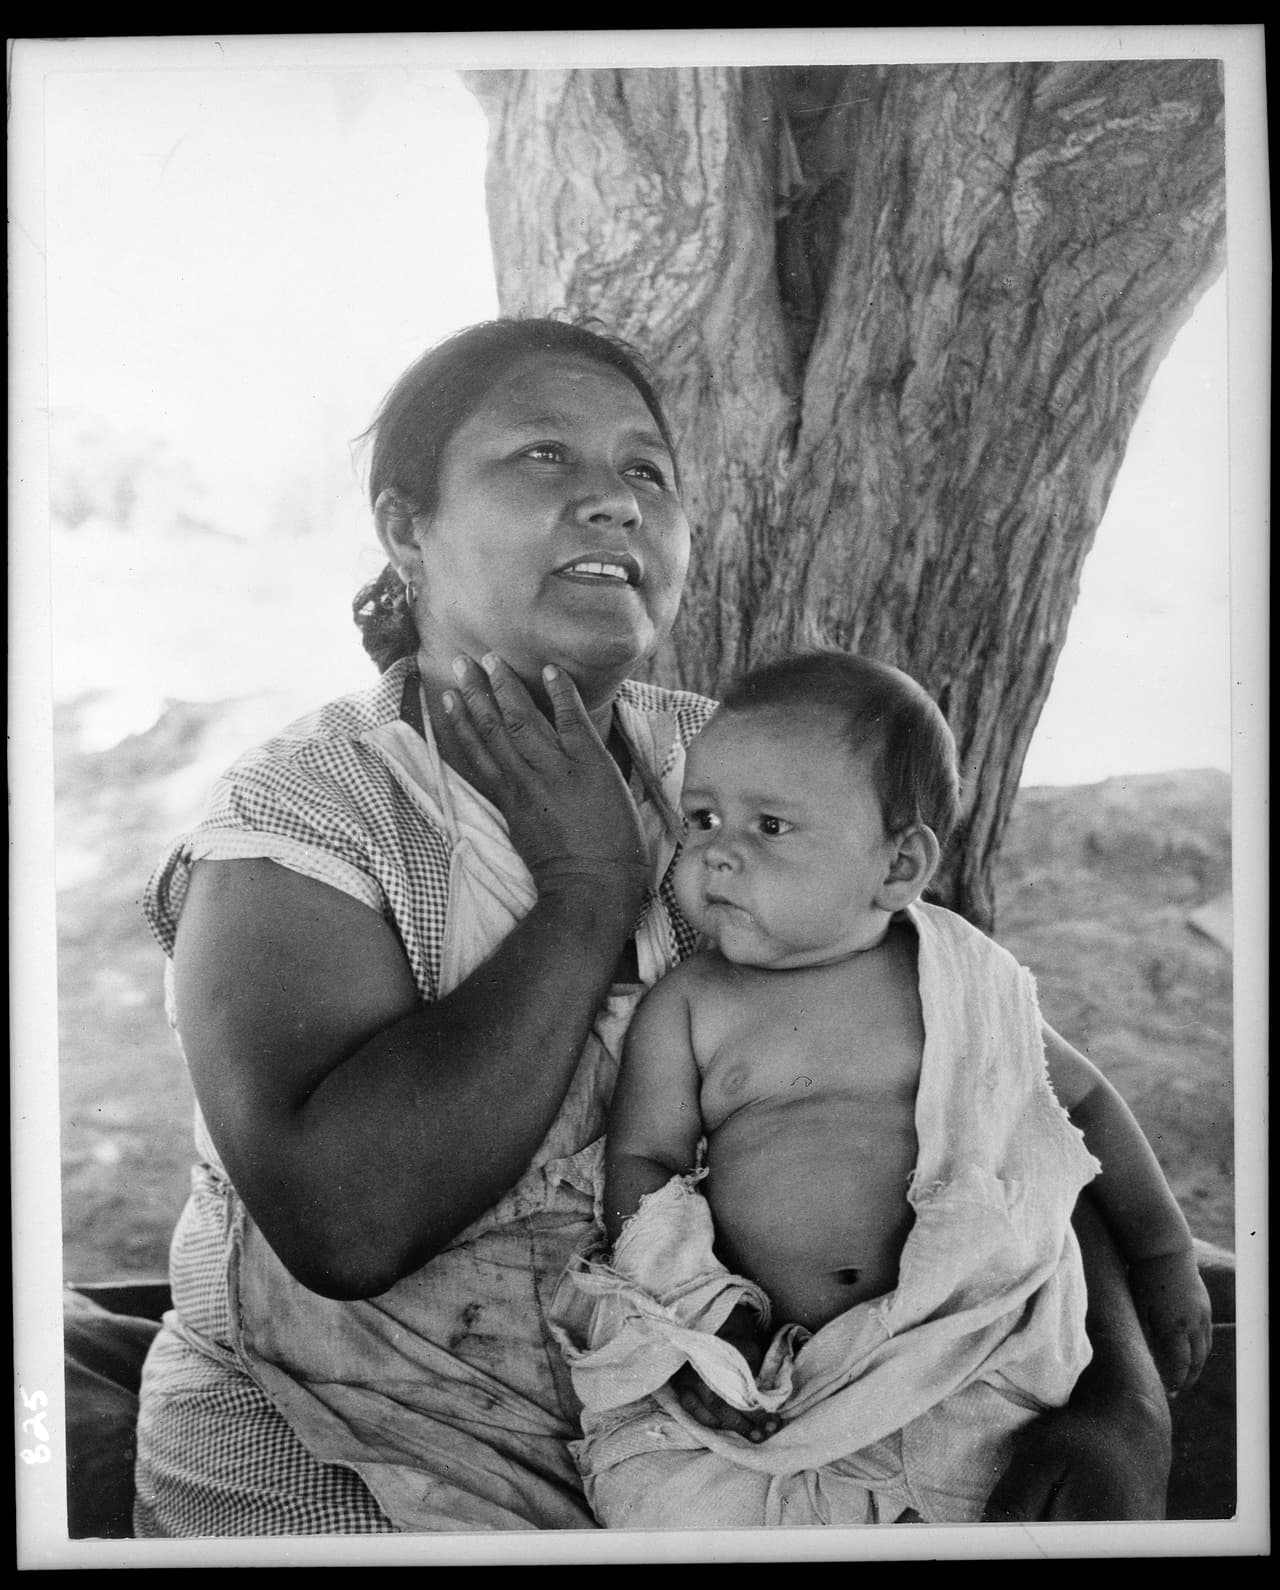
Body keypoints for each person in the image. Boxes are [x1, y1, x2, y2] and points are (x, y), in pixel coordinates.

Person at [131, 317, 1173, 1537]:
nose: (612, 504)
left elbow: (975, 1079)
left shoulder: (730, 768)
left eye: (645, 472)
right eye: (540, 458)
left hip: (746, 1442)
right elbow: (344, 1225)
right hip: (358, 1460)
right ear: (406, 527)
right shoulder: (305, 817)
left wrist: (1121, 1407)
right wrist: (584, 887)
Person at [552, 651, 1212, 1528]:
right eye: (701, 820)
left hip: (965, 1344)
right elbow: (644, 1162)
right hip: (766, 1367)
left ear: (898, 868)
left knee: (1007, 1496)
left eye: (771, 828)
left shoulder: (957, 976)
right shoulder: (691, 1005)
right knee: (683, 1501)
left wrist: (1165, 1255)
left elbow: (1079, 1107)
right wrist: (702, 1316)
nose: (717, 855)